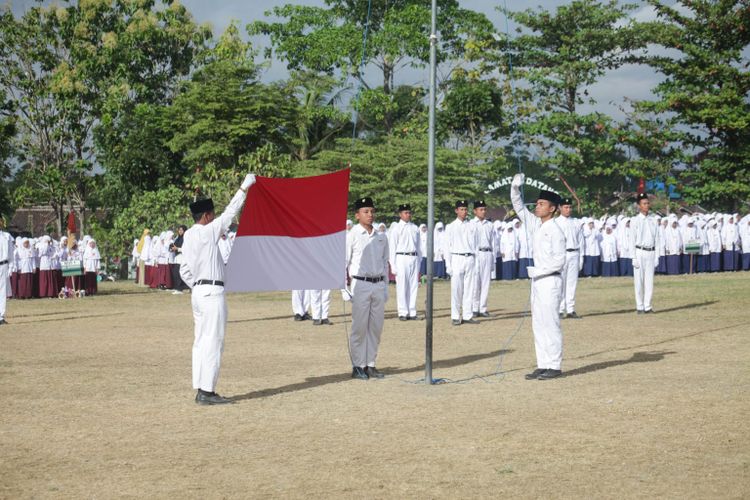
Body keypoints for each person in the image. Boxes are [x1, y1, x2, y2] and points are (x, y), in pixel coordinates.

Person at [179, 172, 255, 405]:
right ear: (206, 216)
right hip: (211, 293)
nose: (214, 219)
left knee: (201, 341)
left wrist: (199, 286)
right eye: (212, 215)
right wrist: (245, 186)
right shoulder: (207, 230)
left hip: (198, 293)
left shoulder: (189, 236)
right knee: (213, 341)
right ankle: (207, 391)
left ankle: (201, 387)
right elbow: (231, 212)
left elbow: (184, 271)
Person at [510, 174, 566, 380]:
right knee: (538, 323)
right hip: (538, 280)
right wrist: (515, 188)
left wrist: (538, 271)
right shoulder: (536, 224)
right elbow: (518, 207)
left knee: (550, 322)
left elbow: (560, 261)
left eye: (542, 204)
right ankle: (543, 363)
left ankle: (555, 365)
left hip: (550, 279)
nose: (537, 206)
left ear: (552, 208)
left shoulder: (556, 230)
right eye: (538, 203)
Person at [345, 197, 389, 380]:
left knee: (376, 327)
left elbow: (385, 262)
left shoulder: (381, 236)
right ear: (357, 215)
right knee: (360, 327)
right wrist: (344, 288)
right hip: (360, 284)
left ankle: (370, 364)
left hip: (378, 283)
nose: (370, 215)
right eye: (365, 211)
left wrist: (385, 286)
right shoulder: (352, 235)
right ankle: (357, 365)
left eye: (371, 211)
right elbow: (344, 262)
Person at [444, 200, 479, 326]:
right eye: (461, 209)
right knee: (456, 289)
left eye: (465, 209)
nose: (464, 212)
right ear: (456, 211)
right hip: (457, 258)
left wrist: (476, 261)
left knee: (469, 289)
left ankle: (467, 315)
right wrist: (448, 264)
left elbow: (476, 245)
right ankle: (455, 315)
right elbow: (447, 247)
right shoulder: (451, 227)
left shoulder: (472, 226)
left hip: (470, 258)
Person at [389, 203, 421, 321]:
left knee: (413, 286)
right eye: (405, 213)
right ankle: (402, 312)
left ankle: (412, 311)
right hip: (401, 258)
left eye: (409, 212)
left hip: (413, 257)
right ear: (400, 214)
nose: (408, 215)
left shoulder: (415, 228)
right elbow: (392, 248)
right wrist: (393, 264)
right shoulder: (396, 228)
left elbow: (419, 247)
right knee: (402, 286)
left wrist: (419, 261)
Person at [630, 193, 660, 314]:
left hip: (651, 252)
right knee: (639, 281)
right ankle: (640, 306)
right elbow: (632, 239)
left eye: (647, 203)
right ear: (639, 206)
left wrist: (657, 255)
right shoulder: (635, 220)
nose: (646, 205)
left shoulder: (653, 220)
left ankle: (648, 306)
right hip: (639, 251)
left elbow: (657, 239)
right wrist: (633, 257)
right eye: (644, 203)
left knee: (649, 281)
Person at [557, 197, 582, 319]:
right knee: (561, 282)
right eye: (566, 207)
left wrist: (581, 258)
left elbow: (581, 241)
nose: (568, 209)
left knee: (572, 283)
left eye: (570, 207)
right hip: (562, 254)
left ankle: (571, 309)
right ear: (560, 208)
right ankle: (560, 309)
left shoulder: (576, 222)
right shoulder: (556, 223)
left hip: (575, 253)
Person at [471, 200, 497, 318]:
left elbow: (494, 243)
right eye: (481, 209)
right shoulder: (471, 224)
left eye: (484, 209)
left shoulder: (490, 225)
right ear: (475, 211)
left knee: (486, 282)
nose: (483, 212)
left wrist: (493, 259)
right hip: (476, 254)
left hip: (487, 253)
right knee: (475, 282)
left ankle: (483, 308)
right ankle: (474, 308)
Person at [0, 217, 12, 325]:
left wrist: (11, 267)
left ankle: (1, 316)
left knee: (2, 291)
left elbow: (11, 254)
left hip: (3, 265)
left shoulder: (7, 237)